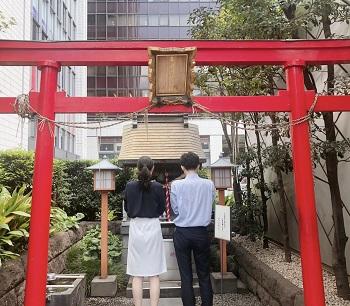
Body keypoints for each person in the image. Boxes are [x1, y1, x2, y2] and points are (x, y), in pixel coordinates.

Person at [170, 152, 215, 306]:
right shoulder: (209, 184)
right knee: (203, 274)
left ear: (182, 167)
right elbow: (212, 204)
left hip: (182, 232)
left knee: (186, 275)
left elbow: (174, 209)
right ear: (198, 166)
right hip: (202, 232)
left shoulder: (176, 185)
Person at [124, 156, 167, 306]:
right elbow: (162, 209)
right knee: (154, 274)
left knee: (137, 274)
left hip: (136, 228)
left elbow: (127, 209)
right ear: (152, 168)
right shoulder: (158, 187)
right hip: (153, 227)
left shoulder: (129, 186)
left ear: (137, 168)